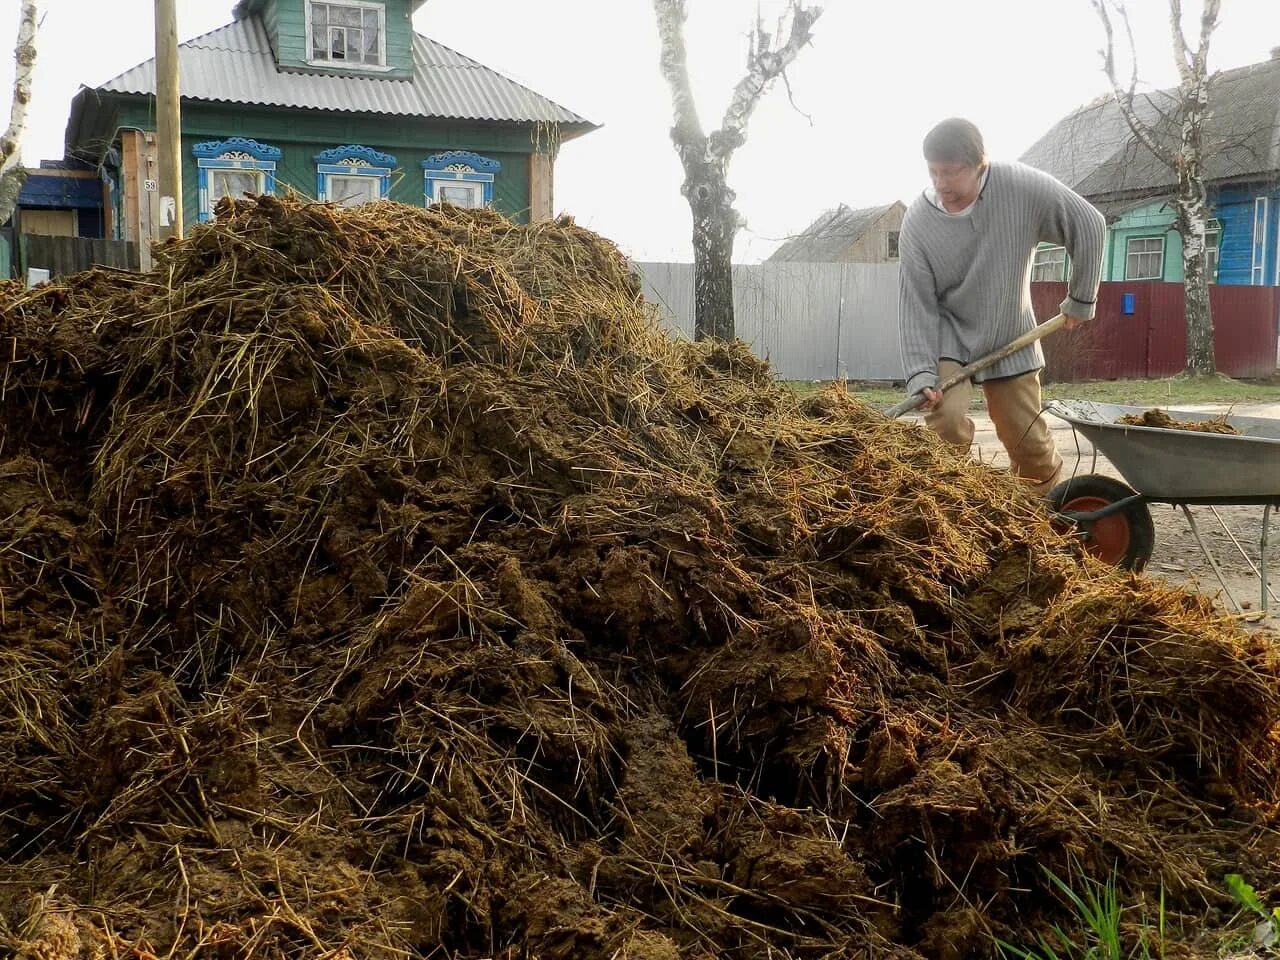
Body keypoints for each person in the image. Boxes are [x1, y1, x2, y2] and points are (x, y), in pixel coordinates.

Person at [898, 117, 1106, 495]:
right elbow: (916, 303)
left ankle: (1035, 513)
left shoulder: (1019, 187)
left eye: (952, 172)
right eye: (934, 172)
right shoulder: (919, 221)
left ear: (980, 164)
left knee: (1028, 445)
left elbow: (1089, 223)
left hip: (1010, 332)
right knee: (944, 424)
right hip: (950, 336)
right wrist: (920, 375)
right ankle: (953, 502)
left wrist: (1081, 298)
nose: (942, 183)